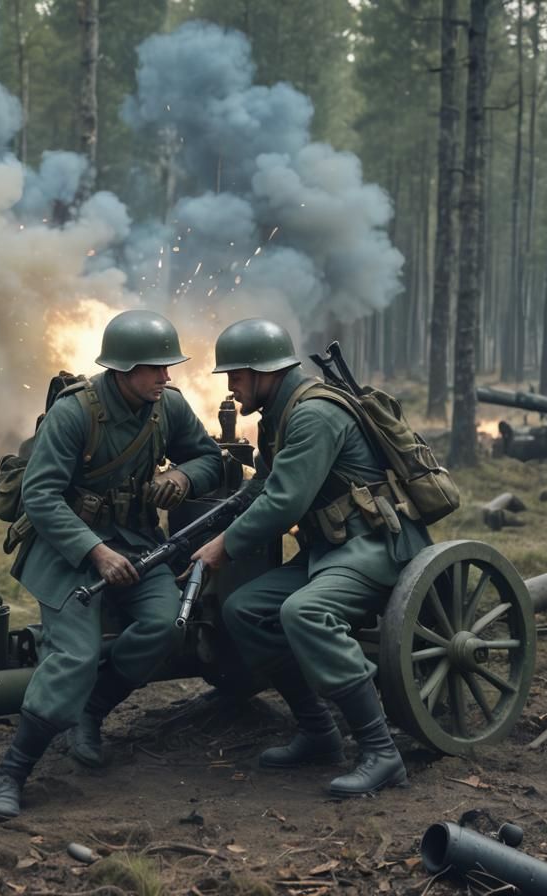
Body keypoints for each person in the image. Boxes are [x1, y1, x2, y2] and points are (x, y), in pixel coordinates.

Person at [0, 309, 224, 820]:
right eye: (155, 367)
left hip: (137, 543)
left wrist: (182, 478)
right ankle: (12, 771)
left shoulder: (168, 407)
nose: (166, 376)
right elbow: (40, 496)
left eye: (168, 366)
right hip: (67, 549)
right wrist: (96, 552)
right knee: (74, 654)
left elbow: (209, 458)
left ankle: (91, 712)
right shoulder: (73, 413)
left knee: (166, 625)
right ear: (123, 369)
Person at [191, 319, 431, 798]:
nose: (231, 386)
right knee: (246, 609)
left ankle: (381, 752)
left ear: (264, 372)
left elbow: (285, 502)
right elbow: (264, 485)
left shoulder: (313, 415)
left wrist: (224, 546)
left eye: (236, 375)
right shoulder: (279, 417)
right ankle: (319, 731)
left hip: (376, 545)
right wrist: (213, 523)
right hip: (330, 550)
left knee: (305, 611)